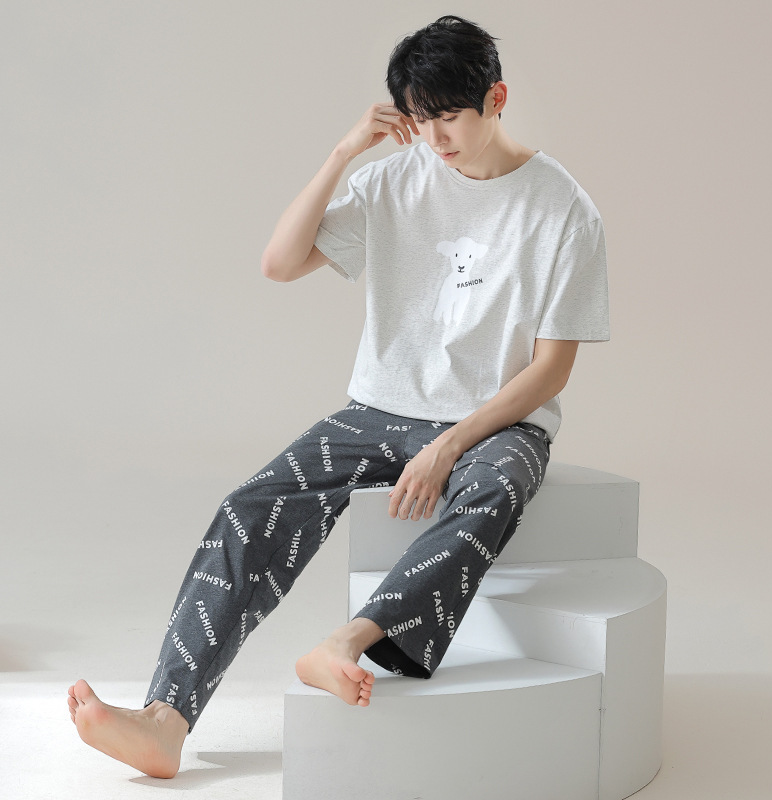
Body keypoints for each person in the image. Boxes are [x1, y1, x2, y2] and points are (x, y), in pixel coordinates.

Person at [67, 15, 609, 779]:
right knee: (251, 505)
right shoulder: (393, 181)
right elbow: (280, 262)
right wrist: (343, 152)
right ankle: (165, 719)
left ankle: (345, 642)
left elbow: (550, 372)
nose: (435, 137)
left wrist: (450, 445)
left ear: (497, 99)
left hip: (497, 422)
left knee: (495, 490)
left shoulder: (564, 210)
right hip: (381, 407)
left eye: (449, 117)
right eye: (419, 118)